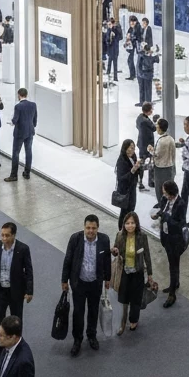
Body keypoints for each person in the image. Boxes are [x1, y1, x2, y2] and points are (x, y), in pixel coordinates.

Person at [61, 214, 111, 356]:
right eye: (88, 228)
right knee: (78, 313)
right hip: (79, 283)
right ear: (84, 227)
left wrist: (107, 279)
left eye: (93, 228)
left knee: (93, 311)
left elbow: (107, 260)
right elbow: (68, 260)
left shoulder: (104, 240)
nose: (90, 231)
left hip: (95, 283)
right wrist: (64, 280)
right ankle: (77, 339)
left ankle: (91, 335)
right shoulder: (75, 239)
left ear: (98, 228)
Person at [0, 222, 34, 360]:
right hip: (0, 292)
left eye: (7, 235)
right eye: (2, 235)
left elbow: (29, 271)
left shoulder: (23, 249)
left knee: (17, 322)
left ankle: (16, 353)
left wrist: (29, 291)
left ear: (14, 235)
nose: (4, 238)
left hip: (16, 293)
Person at [111, 211, 153, 335]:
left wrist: (150, 273)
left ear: (136, 224)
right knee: (124, 299)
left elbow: (147, 255)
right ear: (124, 225)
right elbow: (115, 251)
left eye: (132, 223)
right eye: (127, 223)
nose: (130, 226)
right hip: (124, 272)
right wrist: (114, 250)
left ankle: (133, 320)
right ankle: (123, 323)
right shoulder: (119, 236)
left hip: (138, 272)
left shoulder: (142, 236)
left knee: (136, 299)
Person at [155, 179, 186, 307]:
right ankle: (175, 283)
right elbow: (161, 209)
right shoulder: (164, 200)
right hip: (166, 237)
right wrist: (158, 213)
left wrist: (166, 217)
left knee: (173, 266)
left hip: (176, 240)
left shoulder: (181, 204)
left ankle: (172, 294)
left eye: (165, 192)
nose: (163, 194)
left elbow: (180, 224)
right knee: (172, 264)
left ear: (171, 193)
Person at [6, 88, 37, 182]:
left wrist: (10, 122)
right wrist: (31, 126)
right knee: (29, 152)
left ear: (19, 95)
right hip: (30, 131)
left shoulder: (18, 106)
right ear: (26, 95)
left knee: (16, 153)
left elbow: (15, 120)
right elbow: (35, 119)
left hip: (20, 133)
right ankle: (27, 173)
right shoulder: (33, 105)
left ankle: (14, 175)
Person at [114, 139, 143, 230]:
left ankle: (128, 228)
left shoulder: (133, 157)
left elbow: (137, 172)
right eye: (130, 148)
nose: (132, 150)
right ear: (125, 148)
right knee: (124, 211)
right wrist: (132, 170)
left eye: (133, 148)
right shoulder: (121, 161)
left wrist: (139, 167)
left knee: (132, 208)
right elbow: (121, 178)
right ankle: (121, 230)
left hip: (132, 188)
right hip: (125, 190)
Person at [149, 118, 176, 205]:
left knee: (160, 189)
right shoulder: (171, 139)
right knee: (169, 189)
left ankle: (162, 206)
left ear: (160, 128)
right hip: (170, 167)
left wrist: (150, 150)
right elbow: (173, 154)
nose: (156, 128)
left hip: (160, 169)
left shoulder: (160, 141)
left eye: (157, 127)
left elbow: (156, 154)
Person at [135, 102, 157, 191]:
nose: (152, 111)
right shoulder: (146, 121)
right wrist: (155, 121)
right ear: (148, 111)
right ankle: (150, 181)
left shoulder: (139, 118)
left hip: (141, 143)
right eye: (151, 109)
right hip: (147, 145)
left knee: (142, 162)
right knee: (150, 162)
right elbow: (154, 128)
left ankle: (140, 182)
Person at [104, 17, 121, 82]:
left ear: (112, 24)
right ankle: (108, 72)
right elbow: (106, 40)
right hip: (110, 50)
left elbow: (120, 37)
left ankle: (115, 77)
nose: (109, 26)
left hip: (115, 49)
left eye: (110, 24)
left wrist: (115, 36)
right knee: (109, 62)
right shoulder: (108, 31)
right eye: (108, 25)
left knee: (115, 64)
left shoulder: (116, 30)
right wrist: (108, 41)